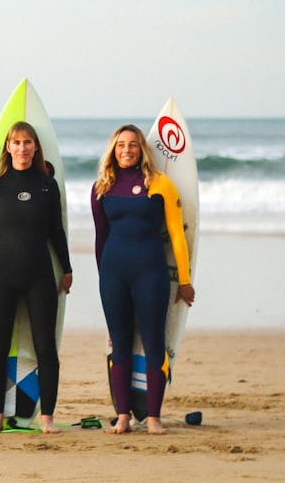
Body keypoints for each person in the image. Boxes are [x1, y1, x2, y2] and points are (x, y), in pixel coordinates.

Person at [0, 121, 72, 434]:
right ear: (7, 148)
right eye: (16, 143)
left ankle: (47, 417)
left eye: (27, 142)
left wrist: (66, 268)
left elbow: (56, 231)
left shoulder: (47, 186)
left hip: (40, 276)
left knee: (45, 348)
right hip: (3, 278)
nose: (22, 148)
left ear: (35, 147)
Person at [91, 124, 195, 435]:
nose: (127, 150)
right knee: (119, 343)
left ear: (142, 149)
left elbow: (177, 235)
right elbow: (100, 238)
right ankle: (123, 416)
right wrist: (103, 278)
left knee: (153, 342)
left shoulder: (160, 184)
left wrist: (185, 280)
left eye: (133, 145)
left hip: (151, 272)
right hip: (113, 274)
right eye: (121, 145)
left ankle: (153, 418)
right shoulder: (102, 187)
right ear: (113, 149)